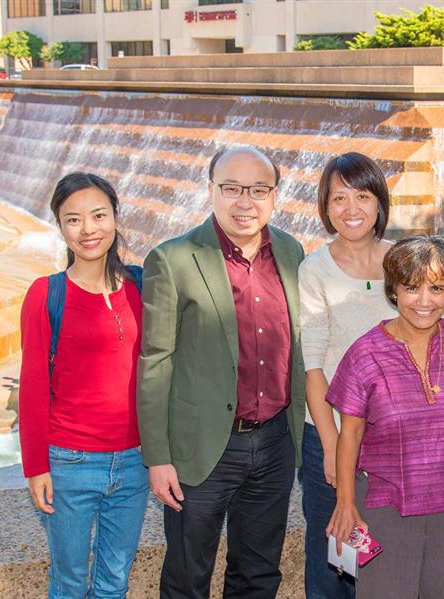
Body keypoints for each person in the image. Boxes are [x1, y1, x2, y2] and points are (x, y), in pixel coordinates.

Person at [137, 146, 306, 599]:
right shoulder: (173, 259)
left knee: (258, 574)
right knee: (188, 577)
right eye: (231, 188)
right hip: (202, 448)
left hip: (273, 444)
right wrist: (157, 457)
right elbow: (155, 360)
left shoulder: (291, 250)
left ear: (274, 195)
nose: (244, 202)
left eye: (257, 190)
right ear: (211, 190)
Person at [326, 236, 444, 599]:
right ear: (394, 291)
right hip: (385, 508)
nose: (424, 301)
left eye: (436, 288)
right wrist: (346, 502)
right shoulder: (364, 353)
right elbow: (350, 436)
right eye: (412, 288)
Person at [19, 172, 148, 599]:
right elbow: (34, 386)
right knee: (70, 583)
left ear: (115, 217)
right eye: (73, 219)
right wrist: (36, 466)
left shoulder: (141, 286)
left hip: (134, 463)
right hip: (70, 463)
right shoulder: (46, 294)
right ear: (60, 226)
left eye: (98, 215)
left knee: (114, 583)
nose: (88, 229)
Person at [299, 152, 397, 599]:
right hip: (334, 431)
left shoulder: (402, 262)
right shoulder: (315, 269)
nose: (351, 208)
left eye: (362, 195)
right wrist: (330, 443)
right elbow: (314, 364)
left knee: (388, 559)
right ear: (325, 205)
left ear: (379, 202)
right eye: (339, 198)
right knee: (336, 562)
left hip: (394, 437)